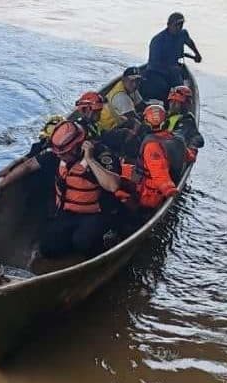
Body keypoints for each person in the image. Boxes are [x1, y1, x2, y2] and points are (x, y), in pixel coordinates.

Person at [39, 121, 122, 257]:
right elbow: (29, 165)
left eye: (64, 153)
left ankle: (107, 240)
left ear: (77, 147)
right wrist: (0, 184)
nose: (60, 156)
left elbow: (113, 185)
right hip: (68, 212)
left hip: (97, 213)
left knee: (84, 242)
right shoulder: (58, 156)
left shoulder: (101, 154)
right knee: (48, 247)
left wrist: (89, 159)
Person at [125, 104, 185, 212]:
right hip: (162, 183)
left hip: (150, 195)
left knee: (117, 177)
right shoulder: (176, 138)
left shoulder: (152, 146)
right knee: (123, 165)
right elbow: (188, 155)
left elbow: (159, 173)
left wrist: (169, 189)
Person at [145, 12, 202, 98]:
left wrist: (196, 54)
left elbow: (189, 42)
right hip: (157, 71)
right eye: (176, 25)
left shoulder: (183, 34)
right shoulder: (158, 41)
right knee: (162, 88)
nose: (178, 27)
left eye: (181, 25)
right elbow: (154, 62)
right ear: (168, 25)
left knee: (181, 90)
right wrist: (171, 68)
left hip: (175, 68)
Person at [100, 67, 145, 131]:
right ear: (124, 79)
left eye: (137, 81)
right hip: (110, 128)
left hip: (124, 118)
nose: (135, 84)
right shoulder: (120, 96)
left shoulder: (130, 88)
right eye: (131, 81)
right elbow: (134, 119)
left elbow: (142, 105)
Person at [165, 85, 204, 159]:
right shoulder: (168, 115)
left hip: (175, 155)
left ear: (184, 105)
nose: (172, 105)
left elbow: (178, 138)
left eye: (176, 103)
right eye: (171, 102)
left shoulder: (187, 121)